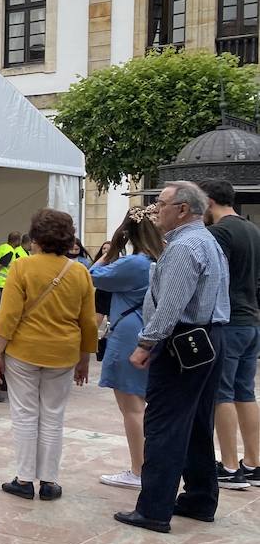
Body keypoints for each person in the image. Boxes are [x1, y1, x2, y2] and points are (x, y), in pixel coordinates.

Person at [116, 182, 232, 533]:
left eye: (161, 204)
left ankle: (154, 508)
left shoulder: (185, 246)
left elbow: (171, 304)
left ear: (182, 209)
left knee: (164, 424)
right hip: (208, 339)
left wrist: (146, 343)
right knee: (196, 423)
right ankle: (199, 498)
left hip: (184, 342)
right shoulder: (207, 240)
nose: (156, 211)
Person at [0, 209, 96, 501]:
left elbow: (8, 315)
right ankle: (49, 481)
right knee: (53, 416)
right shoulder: (80, 272)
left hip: (24, 350)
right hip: (63, 352)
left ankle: (24, 480)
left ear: (36, 237)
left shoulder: (22, 268)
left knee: (25, 415)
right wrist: (85, 358)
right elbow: (88, 321)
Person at [90, 206, 163, 490]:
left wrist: (114, 245)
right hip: (148, 330)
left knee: (131, 407)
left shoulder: (133, 264)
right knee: (142, 404)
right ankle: (146, 466)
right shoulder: (160, 259)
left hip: (128, 332)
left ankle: (139, 469)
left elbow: (92, 274)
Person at [200, 178, 260, 490]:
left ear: (209, 202)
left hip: (229, 321)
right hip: (251, 320)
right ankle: (254, 462)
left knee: (222, 394)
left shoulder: (217, 233)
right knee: (244, 392)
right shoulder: (252, 229)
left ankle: (229, 465)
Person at [0, 231, 27, 310]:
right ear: (16, 241)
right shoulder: (9, 252)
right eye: (20, 240)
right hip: (1, 286)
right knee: (4, 310)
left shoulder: (1, 247)